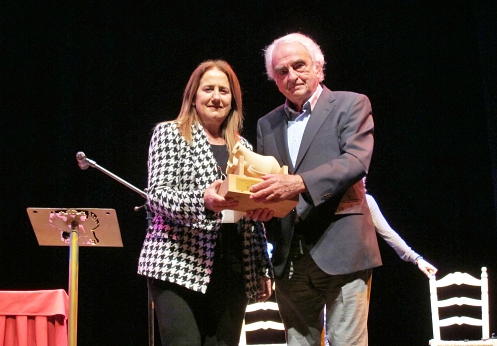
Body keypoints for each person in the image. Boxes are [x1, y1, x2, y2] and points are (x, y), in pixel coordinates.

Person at [247, 32, 382, 346]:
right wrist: (260, 206)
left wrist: (300, 183)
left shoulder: (351, 104)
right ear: (274, 80)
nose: (291, 76)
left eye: (299, 66)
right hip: (290, 257)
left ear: (318, 69)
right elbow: (268, 181)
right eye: (282, 71)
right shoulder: (266, 124)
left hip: (343, 250)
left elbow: (355, 161)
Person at [137, 60, 273, 346]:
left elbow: (249, 214)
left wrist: (261, 268)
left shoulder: (243, 147)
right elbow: (157, 196)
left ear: (233, 100)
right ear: (193, 96)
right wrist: (203, 201)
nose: (216, 97)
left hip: (232, 267)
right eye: (208, 89)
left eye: (224, 91)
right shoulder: (170, 134)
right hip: (179, 265)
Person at [363, 179, 437, 277]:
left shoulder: (367, 201)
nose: (364, 186)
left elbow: (388, 233)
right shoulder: (336, 200)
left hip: (356, 269)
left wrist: (417, 259)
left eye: (364, 182)